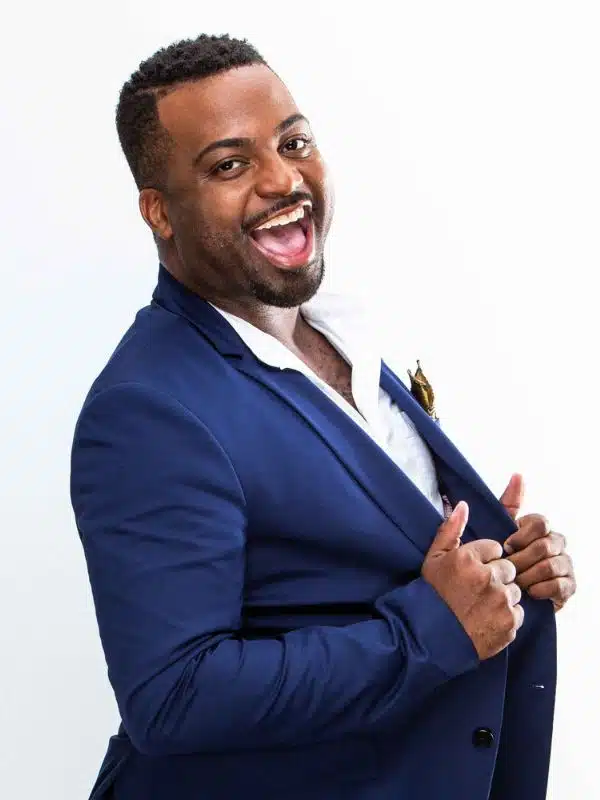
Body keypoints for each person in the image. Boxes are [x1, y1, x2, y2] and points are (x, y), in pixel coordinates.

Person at [70, 34, 576, 800]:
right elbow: (173, 697)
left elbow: (360, 555)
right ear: (159, 210)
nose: (283, 179)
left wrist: (505, 564)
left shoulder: (339, 331)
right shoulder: (148, 409)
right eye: (229, 165)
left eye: (294, 142)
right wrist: (431, 630)